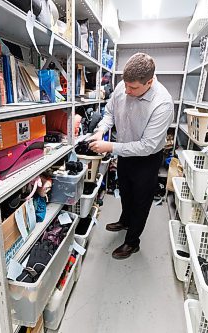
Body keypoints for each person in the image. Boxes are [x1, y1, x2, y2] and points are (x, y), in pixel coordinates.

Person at [88, 52, 174, 260]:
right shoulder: (123, 85)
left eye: (133, 87)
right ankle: (125, 221)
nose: (127, 90)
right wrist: (101, 130)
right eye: (125, 85)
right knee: (125, 191)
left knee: (140, 201)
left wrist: (109, 146)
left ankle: (132, 242)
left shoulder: (162, 104)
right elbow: (109, 112)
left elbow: (146, 146)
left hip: (146, 159)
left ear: (149, 82)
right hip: (123, 152)